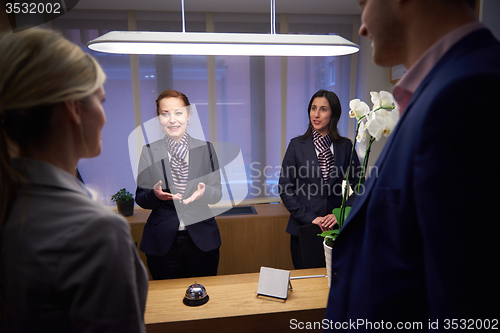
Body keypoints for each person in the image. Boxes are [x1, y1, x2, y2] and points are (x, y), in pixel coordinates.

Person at [324, 0, 500, 329]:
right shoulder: (436, 92)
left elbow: (467, 306)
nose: (362, 27)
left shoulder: (467, 94)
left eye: (363, 3)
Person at [0, 29, 148, 332]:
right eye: (101, 101)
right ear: (73, 107)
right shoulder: (95, 231)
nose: (105, 117)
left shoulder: (11, 202)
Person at [135, 90, 222, 280]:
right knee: (168, 303)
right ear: (159, 118)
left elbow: (217, 193)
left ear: (189, 116)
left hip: (202, 239)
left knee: (203, 298)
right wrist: (154, 195)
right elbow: (140, 197)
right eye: (165, 113)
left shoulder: (205, 148)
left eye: (179, 113)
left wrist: (205, 191)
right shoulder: (149, 151)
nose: (172, 119)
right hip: (162, 242)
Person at [279, 90, 362, 270]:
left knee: (333, 283)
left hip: (336, 229)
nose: (316, 114)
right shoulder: (296, 145)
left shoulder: (345, 146)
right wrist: (312, 218)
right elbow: (285, 188)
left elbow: (360, 186)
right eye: (313, 108)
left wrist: (340, 214)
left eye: (323, 109)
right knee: (307, 284)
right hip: (304, 228)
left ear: (334, 114)